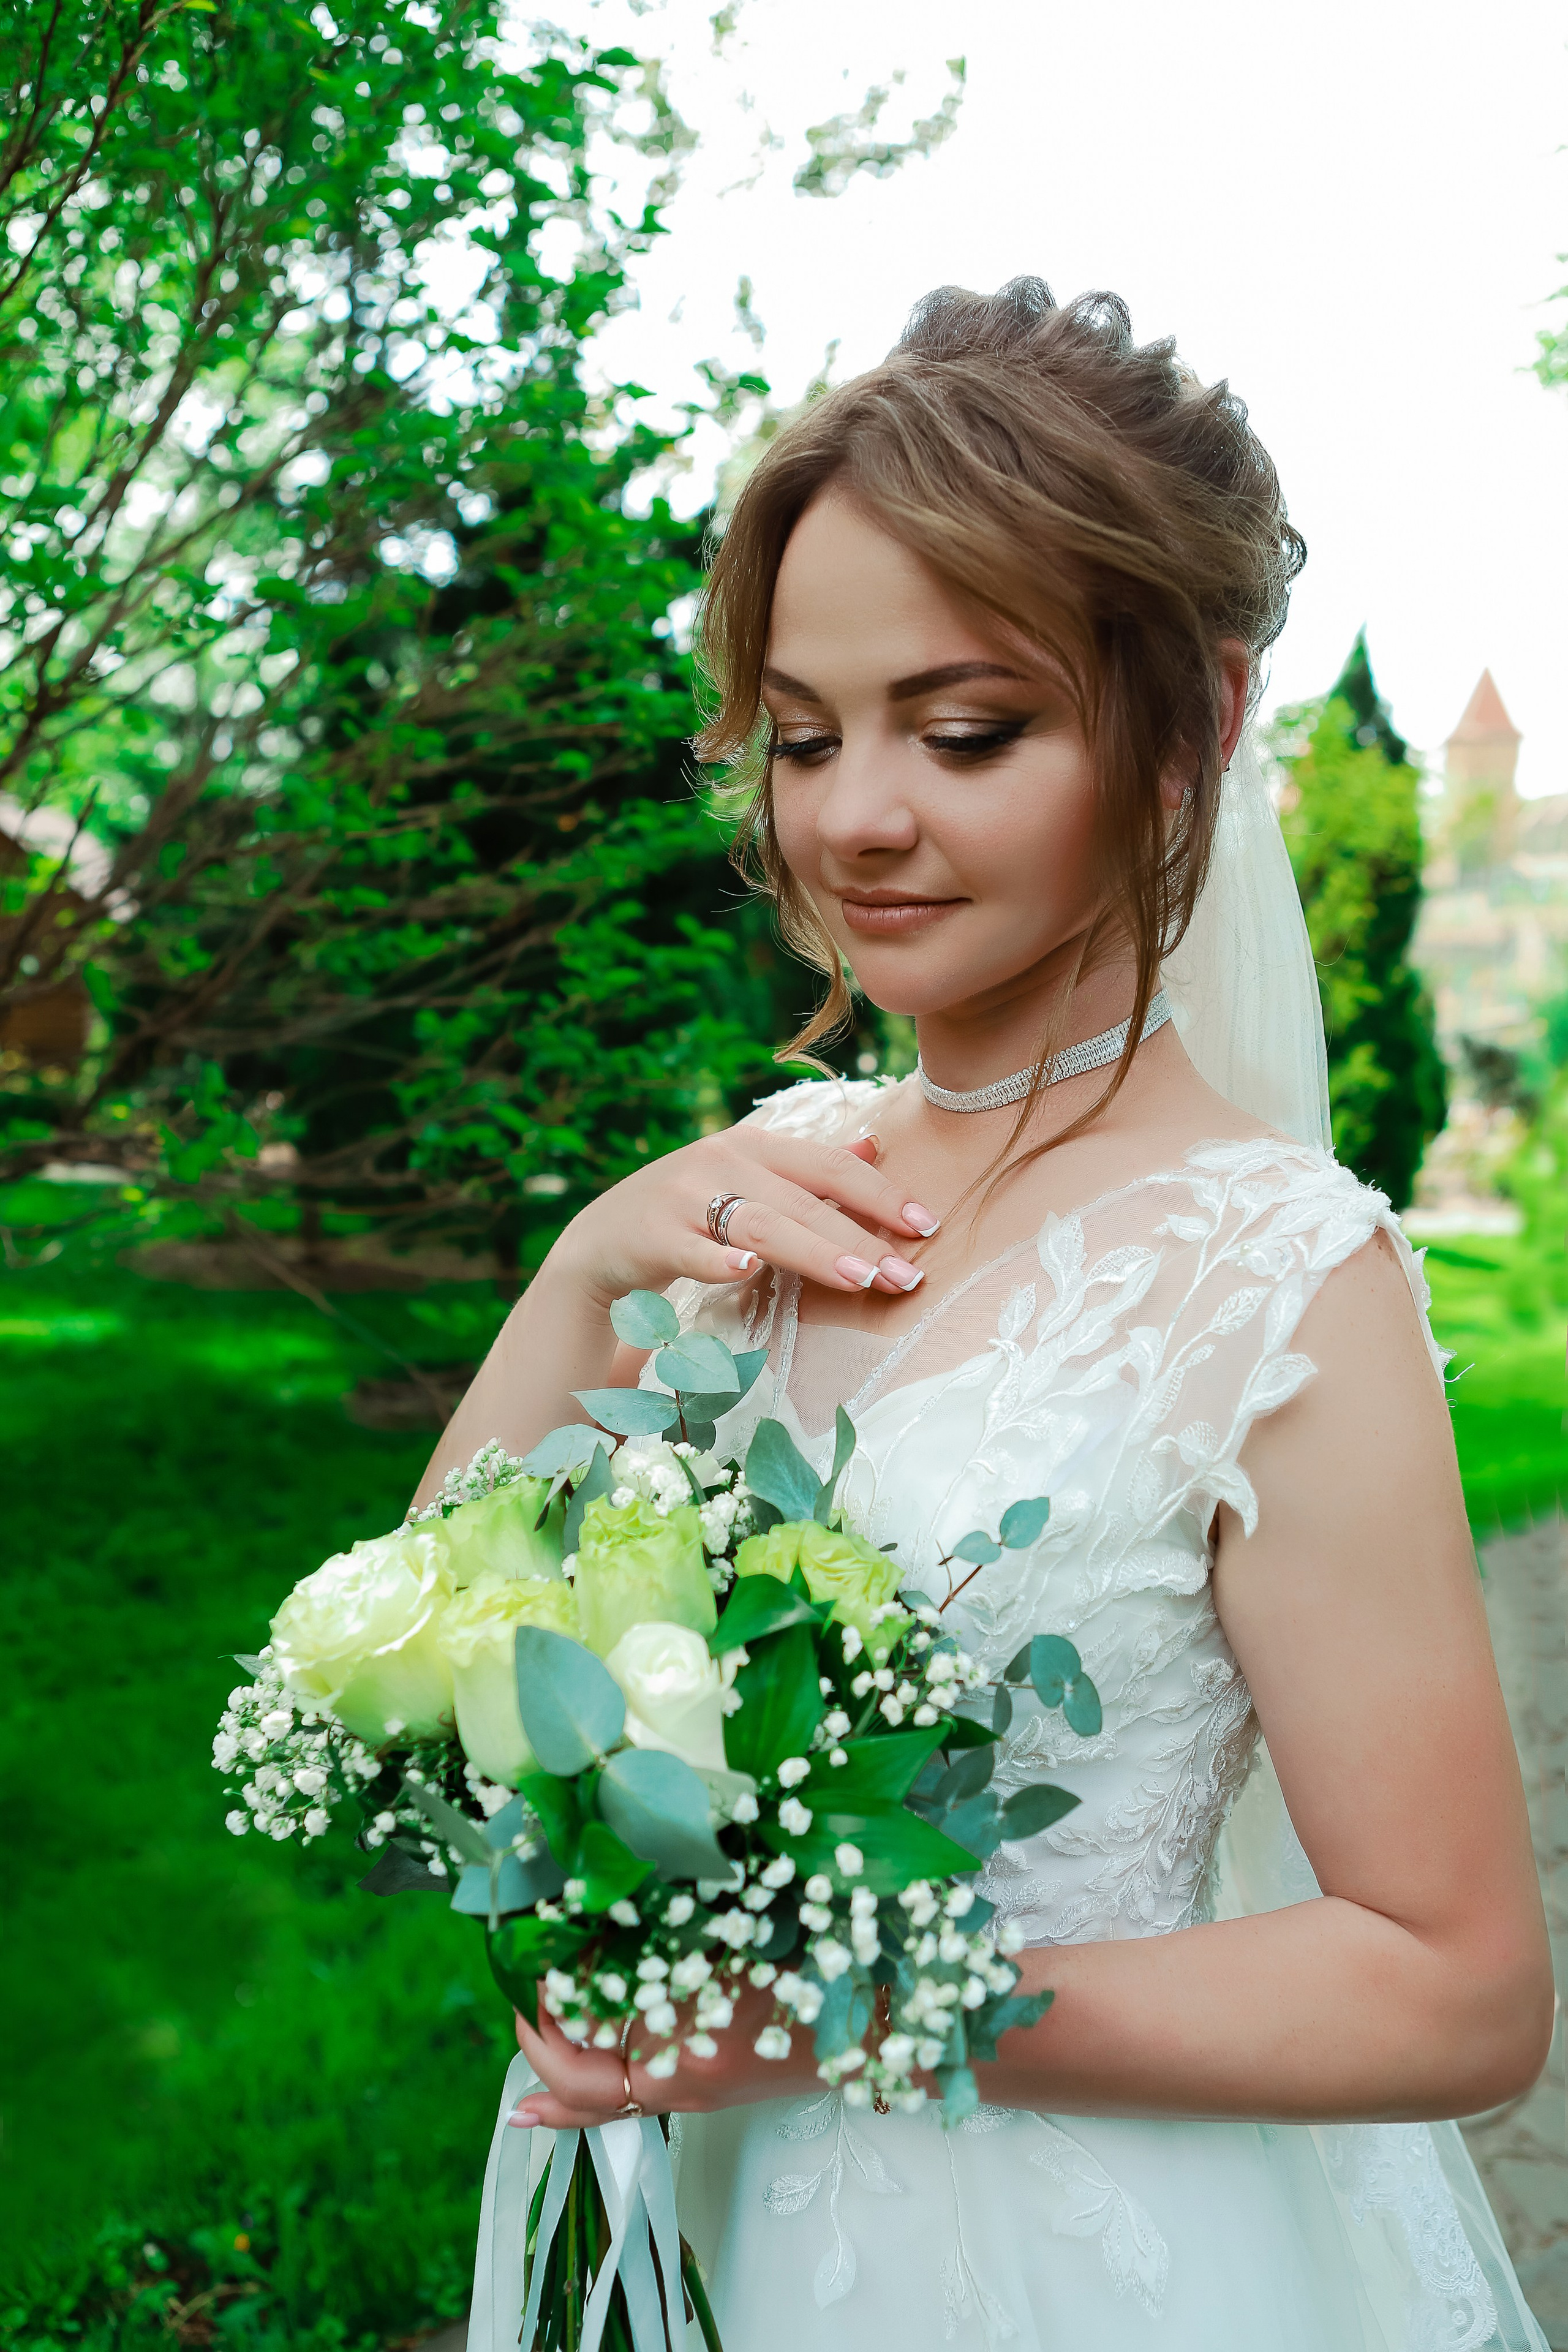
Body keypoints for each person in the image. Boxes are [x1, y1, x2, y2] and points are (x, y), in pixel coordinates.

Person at [420, 280, 1555, 2350]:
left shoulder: (1277, 1281)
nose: (855, 815)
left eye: (965, 733)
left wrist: (828, 2013)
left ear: (1193, 727)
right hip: (750, 2241)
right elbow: (435, 1645)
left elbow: (1455, 1985)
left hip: (1090, 2261)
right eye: (802, 736)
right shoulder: (763, 1184)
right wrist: (588, 1264)